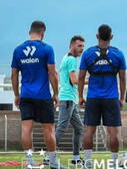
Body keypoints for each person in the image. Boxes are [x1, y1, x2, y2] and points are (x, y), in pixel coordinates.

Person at [11, 21, 61, 168]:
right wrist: (56, 93)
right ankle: (52, 162)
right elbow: (52, 73)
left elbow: (14, 75)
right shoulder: (47, 49)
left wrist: (16, 94)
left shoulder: (18, 50)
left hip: (26, 95)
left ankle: (29, 161)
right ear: (43, 32)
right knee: (49, 129)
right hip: (43, 95)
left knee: (26, 128)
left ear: (30, 31)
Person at [78, 24, 127, 167]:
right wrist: (122, 98)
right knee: (113, 132)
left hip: (93, 97)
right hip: (111, 97)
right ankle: (113, 163)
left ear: (97, 36)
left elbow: (81, 77)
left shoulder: (87, 54)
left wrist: (80, 96)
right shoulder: (118, 54)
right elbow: (122, 79)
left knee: (89, 131)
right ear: (111, 37)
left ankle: (88, 162)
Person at [55, 35, 85, 166]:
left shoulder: (65, 57)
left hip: (70, 100)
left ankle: (76, 158)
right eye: (79, 46)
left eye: (83, 46)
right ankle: (48, 156)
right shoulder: (72, 59)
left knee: (79, 128)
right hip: (67, 99)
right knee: (61, 127)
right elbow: (74, 80)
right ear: (72, 46)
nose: (82, 49)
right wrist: (90, 80)